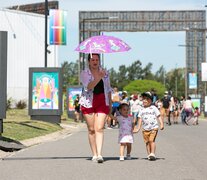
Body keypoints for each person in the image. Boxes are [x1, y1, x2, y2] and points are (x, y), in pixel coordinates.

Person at [79, 53, 112, 163]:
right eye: (92, 60)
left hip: (102, 101)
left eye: (97, 60)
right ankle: (94, 153)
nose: (95, 62)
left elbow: (108, 89)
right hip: (88, 102)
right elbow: (88, 86)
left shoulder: (105, 73)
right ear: (89, 61)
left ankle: (99, 154)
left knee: (99, 128)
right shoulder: (84, 73)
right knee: (92, 129)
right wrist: (99, 77)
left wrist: (110, 105)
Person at [136, 92, 164, 161]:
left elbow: (158, 116)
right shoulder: (141, 109)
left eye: (147, 99)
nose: (145, 101)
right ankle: (149, 154)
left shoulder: (153, 108)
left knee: (152, 140)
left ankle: (153, 153)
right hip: (145, 129)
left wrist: (161, 124)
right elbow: (139, 119)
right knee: (147, 142)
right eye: (144, 99)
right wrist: (138, 128)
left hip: (153, 127)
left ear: (151, 101)